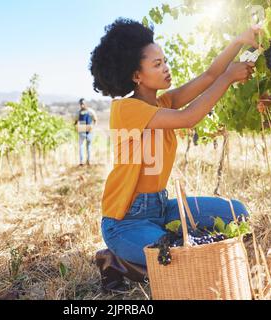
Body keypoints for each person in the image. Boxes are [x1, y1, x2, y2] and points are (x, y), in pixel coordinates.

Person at [90, 18, 259, 266]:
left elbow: (210, 75)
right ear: (137, 75)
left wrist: (238, 41)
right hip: (125, 221)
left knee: (237, 213)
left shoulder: (163, 103)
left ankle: (150, 249)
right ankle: (119, 261)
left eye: (165, 61)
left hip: (161, 209)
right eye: (157, 64)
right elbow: (188, 118)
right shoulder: (125, 109)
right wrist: (228, 79)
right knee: (179, 256)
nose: (166, 68)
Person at [74, 98, 98, 166]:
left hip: (89, 130)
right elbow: (75, 121)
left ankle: (89, 161)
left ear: (85, 104)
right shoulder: (78, 113)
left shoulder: (90, 111)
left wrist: (93, 126)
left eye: (83, 104)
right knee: (81, 146)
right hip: (81, 131)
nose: (82, 105)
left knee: (89, 146)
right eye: (81, 104)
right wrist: (76, 128)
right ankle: (81, 162)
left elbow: (95, 119)